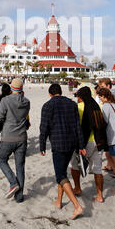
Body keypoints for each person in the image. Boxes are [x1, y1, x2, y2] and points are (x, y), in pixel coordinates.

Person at [39, 83, 86, 220]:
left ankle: (77, 206)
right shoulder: (72, 104)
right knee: (63, 171)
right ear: (60, 91)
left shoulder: (47, 106)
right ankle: (59, 201)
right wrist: (80, 144)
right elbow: (78, 126)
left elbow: (44, 128)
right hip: (71, 142)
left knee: (60, 175)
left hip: (58, 144)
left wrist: (42, 145)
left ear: (50, 94)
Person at [69, 86, 107, 203]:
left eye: (78, 97)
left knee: (74, 165)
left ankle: (78, 188)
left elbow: (75, 125)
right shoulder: (96, 106)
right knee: (97, 169)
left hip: (85, 141)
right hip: (98, 140)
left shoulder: (79, 107)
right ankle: (100, 195)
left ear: (80, 97)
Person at [0, 78, 30, 203]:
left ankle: (13, 182)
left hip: (8, 136)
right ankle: (19, 196)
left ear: (11, 88)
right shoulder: (27, 102)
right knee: (20, 166)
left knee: (1, 159)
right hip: (22, 136)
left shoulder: (5, 100)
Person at [97, 87, 115, 195]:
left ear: (104, 96)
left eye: (100, 97)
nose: (100, 99)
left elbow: (104, 122)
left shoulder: (106, 106)